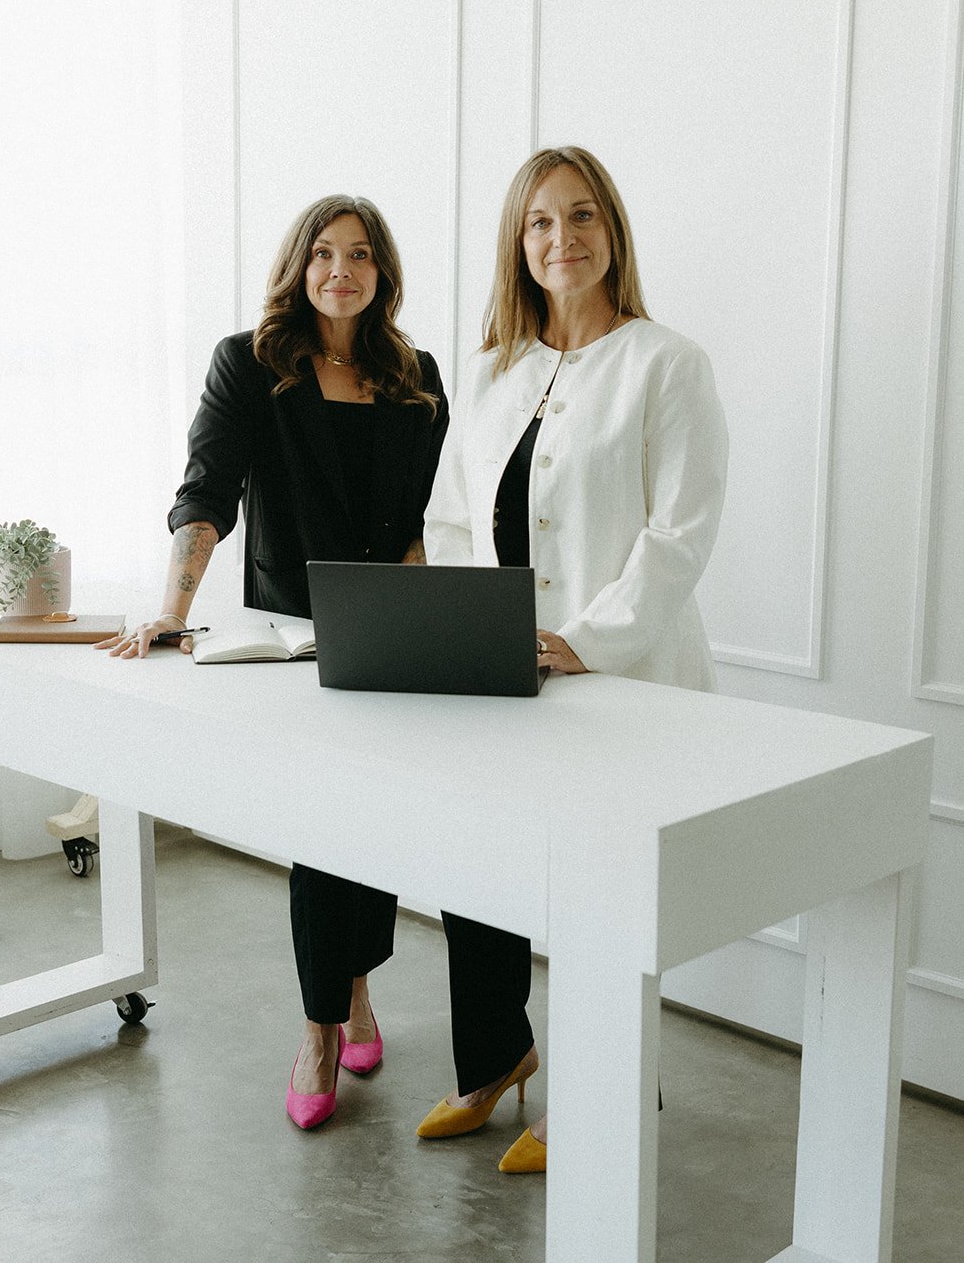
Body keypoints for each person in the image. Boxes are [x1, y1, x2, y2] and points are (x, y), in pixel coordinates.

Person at [98, 196, 448, 1130]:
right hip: (291, 638)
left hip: (389, 633)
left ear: (384, 272)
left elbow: (418, 523)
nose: (342, 269)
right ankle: (319, 1026)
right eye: (324, 252)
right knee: (322, 828)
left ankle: (355, 996)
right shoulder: (250, 365)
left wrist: (421, 628)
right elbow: (205, 490)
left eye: (362, 254)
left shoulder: (417, 378)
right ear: (299, 265)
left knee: (371, 820)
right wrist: (173, 612)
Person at [415, 146, 727, 1173]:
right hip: (500, 673)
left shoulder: (665, 363)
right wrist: (472, 631)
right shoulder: (492, 371)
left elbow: (678, 535)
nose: (562, 238)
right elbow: (453, 517)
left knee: (605, 893)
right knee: (478, 865)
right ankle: (495, 1057)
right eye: (540, 222)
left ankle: (604, 1088)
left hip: (617, 680)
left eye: (581, 215)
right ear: (519, 244)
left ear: (612, 231)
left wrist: (583, 641)